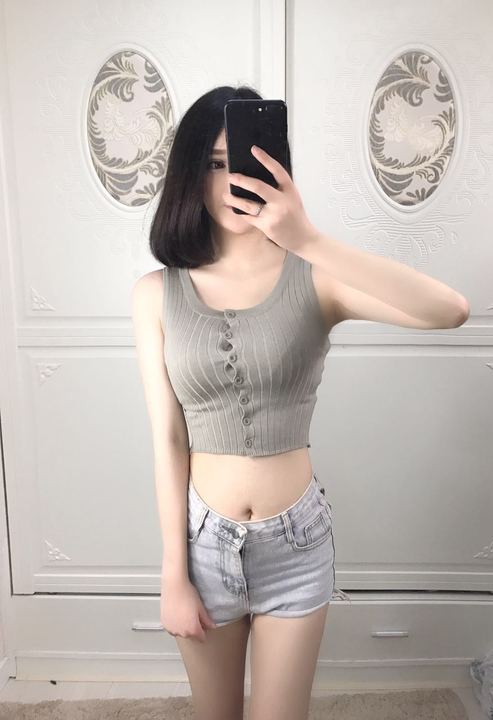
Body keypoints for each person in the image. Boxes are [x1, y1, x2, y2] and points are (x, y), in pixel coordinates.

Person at [131, 84, 343, 720]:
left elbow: (450, 310)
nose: (231, 180)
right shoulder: (155, 293)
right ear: (190, 174)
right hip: (203, 545)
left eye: (245, 160)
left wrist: (309, 238)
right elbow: (168, 438)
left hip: (297, 543)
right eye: (214, 163)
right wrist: (173, 575)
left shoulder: (313, 276)